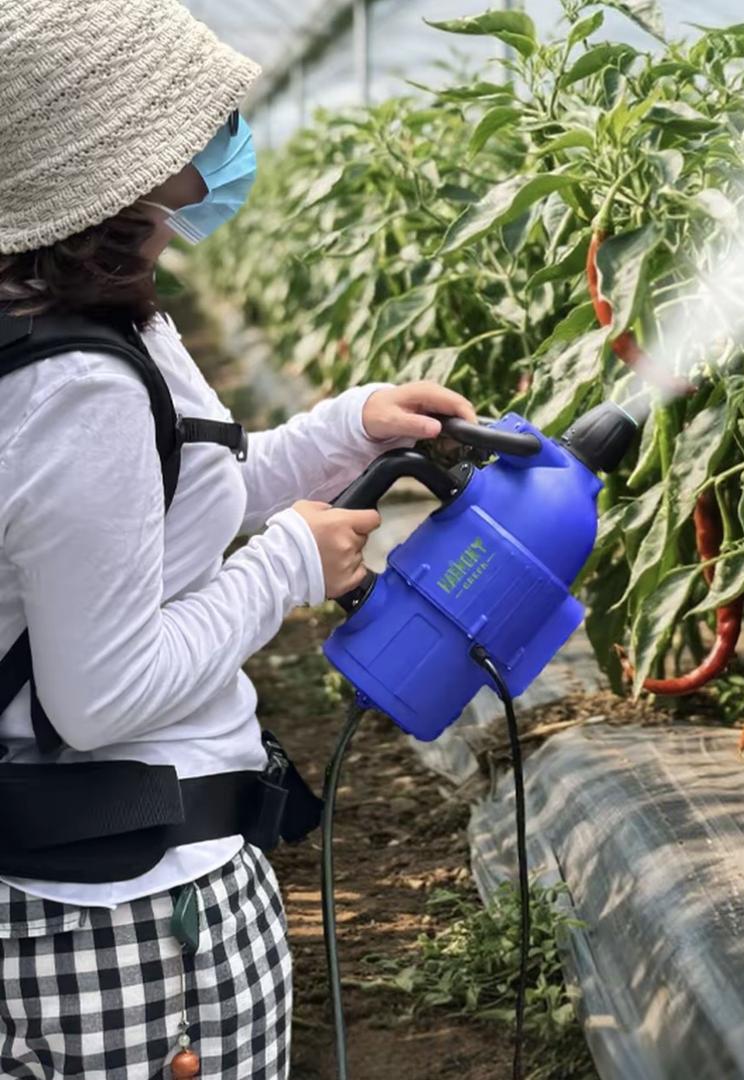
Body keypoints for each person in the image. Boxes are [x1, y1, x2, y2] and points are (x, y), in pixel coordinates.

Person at [0, 1, 475, 1076]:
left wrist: (341, 430)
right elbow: (103, 695)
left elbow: (159, 508)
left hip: (116, 890)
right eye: (195, 118)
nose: (221, 133)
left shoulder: (72, 326)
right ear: (125, 163)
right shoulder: (77, 387)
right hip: (124, 931)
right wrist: (288, 567)